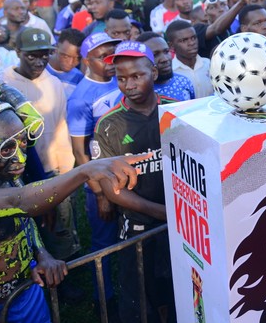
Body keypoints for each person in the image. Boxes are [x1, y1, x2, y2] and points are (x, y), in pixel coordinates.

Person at [0, 99, 144, 323]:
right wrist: (85, 171)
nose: (20, 158)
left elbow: (22, 219)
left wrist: (41, 254)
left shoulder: (3, 175)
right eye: (6, 149)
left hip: (25, 295)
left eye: (23, 143)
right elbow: (20, 203)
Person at [94, 41, 176, 322]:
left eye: (136, 76)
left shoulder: (179, 112)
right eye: (121, 78)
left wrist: (178, 214)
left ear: (153, 72)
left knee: (180, 291)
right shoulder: (109, 125)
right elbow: (111, 190)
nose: (128, 84)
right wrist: (164, 213)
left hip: (180, 222)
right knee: (140, 300)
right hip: (138, 227)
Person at [0, 28, 80, 265]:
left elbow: (61, 126)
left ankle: (67, 273)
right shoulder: (5, 85)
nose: (39, 61)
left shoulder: (54, 83)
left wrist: (66, 168)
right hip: (19, 174)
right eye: (31, 56)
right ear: (18, 52)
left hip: (54, 168)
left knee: (60, 223)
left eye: (44, 55)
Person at [66, 32, 122, 315]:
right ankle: (105, 300)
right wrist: (100, 193)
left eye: (113, 54)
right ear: (87, 61)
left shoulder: (120, 79)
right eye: (103, 57)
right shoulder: (79, 99)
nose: (111, 62)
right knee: (104, 244)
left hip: (127, 174)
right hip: (102, 183)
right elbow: (80, 155)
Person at [137, 32, 195, 101]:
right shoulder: (136, 92)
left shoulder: (184, 81)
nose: (165, 59)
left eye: (166, 51)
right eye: (155, 55)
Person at [166, 20, 214, 98]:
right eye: (184, 40)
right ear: (171, 46)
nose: (191, 43)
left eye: (193, 38)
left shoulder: (209, 64)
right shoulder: (171, 72)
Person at [45, 29, 85, 99]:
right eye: (66, 56)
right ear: (56, 48)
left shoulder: (79, 78)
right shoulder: (39, 68)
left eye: (77, 58)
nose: (70, 63)